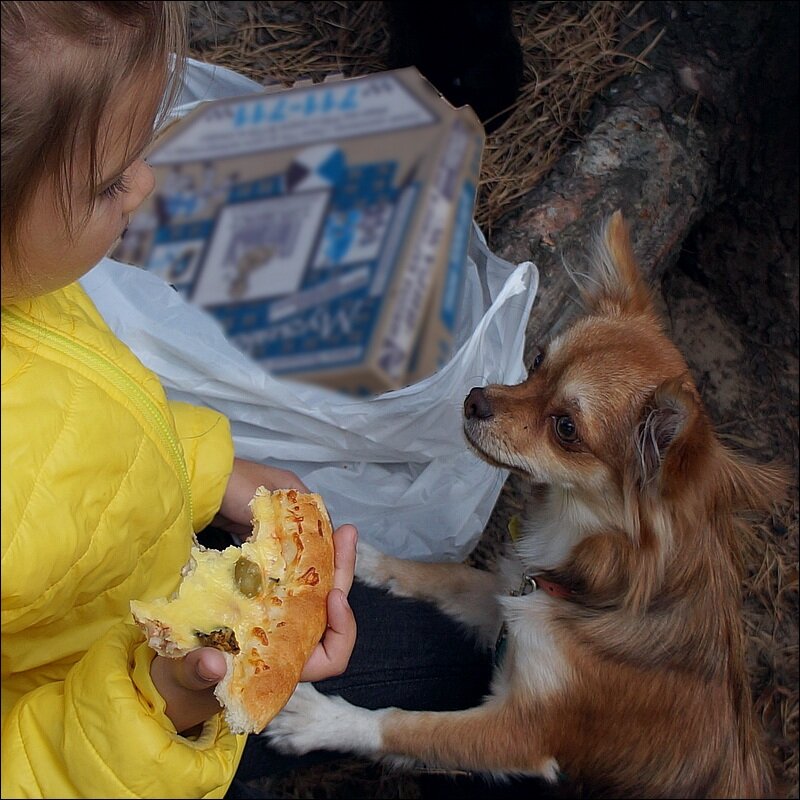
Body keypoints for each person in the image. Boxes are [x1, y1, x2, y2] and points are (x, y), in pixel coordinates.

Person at [1, 3, 357, 797]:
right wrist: (165, 705)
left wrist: (206, 470)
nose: (145, 184)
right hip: (104, 734)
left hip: (143, 575)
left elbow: (81, 420)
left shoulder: (25, 276)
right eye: (106, 182)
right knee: (450, 661)